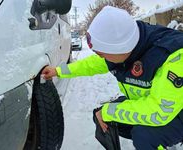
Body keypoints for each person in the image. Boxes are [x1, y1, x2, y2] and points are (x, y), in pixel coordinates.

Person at [41, 6, 183, 150]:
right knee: (102, 116)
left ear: (120, 48)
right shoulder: (121, 50)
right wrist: (58, 71)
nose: (101, 58)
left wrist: (108, 112)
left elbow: (159, 111)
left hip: (175, 112)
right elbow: (89, 65)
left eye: (102, 54)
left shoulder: (174, 56)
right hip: (152, 103)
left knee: (144, 135)